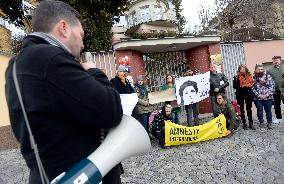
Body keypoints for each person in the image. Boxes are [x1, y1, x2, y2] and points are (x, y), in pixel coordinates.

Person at [5, 1, 123, 184]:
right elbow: (111, 109)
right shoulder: (50, 59)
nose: (83, 44)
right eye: (81, 35)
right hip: (82, 175)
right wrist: (94, 72)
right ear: (64, 28)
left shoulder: (18, 64)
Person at [253, 64, 275, 129]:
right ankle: (261, 122)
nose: (260, 70)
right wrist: (259, 95)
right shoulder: (253, 78)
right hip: (258, 98)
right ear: (255, 70)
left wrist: (266, 95)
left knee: (268, 110)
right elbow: (252, 88)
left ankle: (269, 122)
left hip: (268, 98)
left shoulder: (268, 77)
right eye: (259, 69)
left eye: (262, 69)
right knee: (259, 110)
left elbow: (272, 87)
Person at [233, 64, 255, 130]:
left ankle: (251, 123)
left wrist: (247, 84)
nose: (242, 70)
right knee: (241, 110)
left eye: (244, 69)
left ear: (246, 69)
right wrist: (242, 85)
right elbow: (234, 86)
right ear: (239, 70)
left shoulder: (249, 76)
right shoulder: (236, 77)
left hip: (248, 94)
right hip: (240, 94)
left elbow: (252, 84)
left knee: (249, 109)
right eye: (241, 69)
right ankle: (244, 123)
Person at [267, 56, 284, 123]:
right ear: (273, 62)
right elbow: (268, 81)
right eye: (274, 60)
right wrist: (272, 90)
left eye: (277, 60)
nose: (276, 61)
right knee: (277, 105)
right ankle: (278, 118)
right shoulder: (269, 71)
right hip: (275, 90)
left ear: (280, 61)